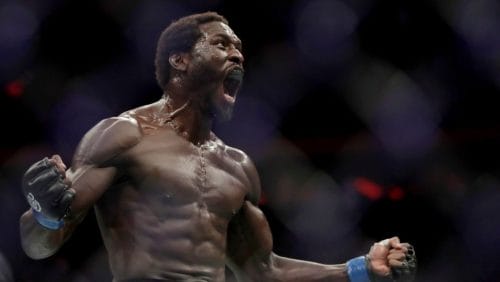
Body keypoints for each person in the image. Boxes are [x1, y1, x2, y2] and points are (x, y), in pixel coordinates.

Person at [19, 12, 416, 282]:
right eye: (222, 44)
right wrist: (46, 215)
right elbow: (38, 245)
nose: (238, 54)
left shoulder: (237, 166)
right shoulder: (125, 135)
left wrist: (358, 268)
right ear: (180, 60)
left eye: (239, 47)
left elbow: (263, 271)